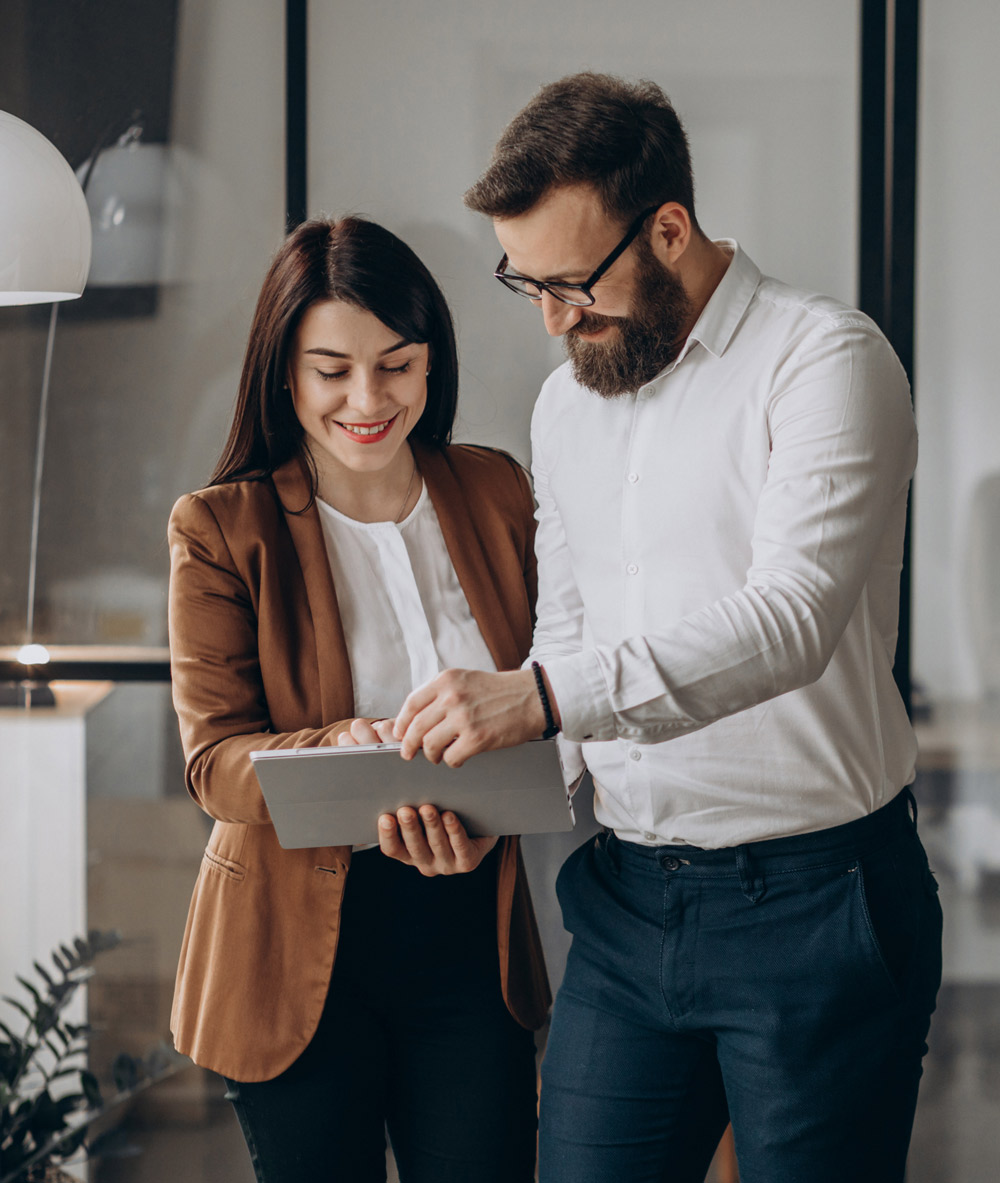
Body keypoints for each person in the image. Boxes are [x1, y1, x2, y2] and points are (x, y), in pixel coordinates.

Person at [392, 73, 943, 1182]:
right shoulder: (568, 404)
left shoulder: (824, 361)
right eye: (524, 285)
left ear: (669, 228)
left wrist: (541, 696)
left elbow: (790, 620)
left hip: (818, 903)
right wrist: (479, 781)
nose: (552, 319)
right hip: (629, 901)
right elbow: (571, 636)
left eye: (570, 284)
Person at [166, 215, 548, 1183]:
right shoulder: (222, 527)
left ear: (431, 363)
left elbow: (556, 687)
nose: (367, 399)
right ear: (283, 373)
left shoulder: (496, 491)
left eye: (397, 364)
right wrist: (353, 743)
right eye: (331, 369)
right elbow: (216, 764)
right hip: (293, 952)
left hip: (468, 935)